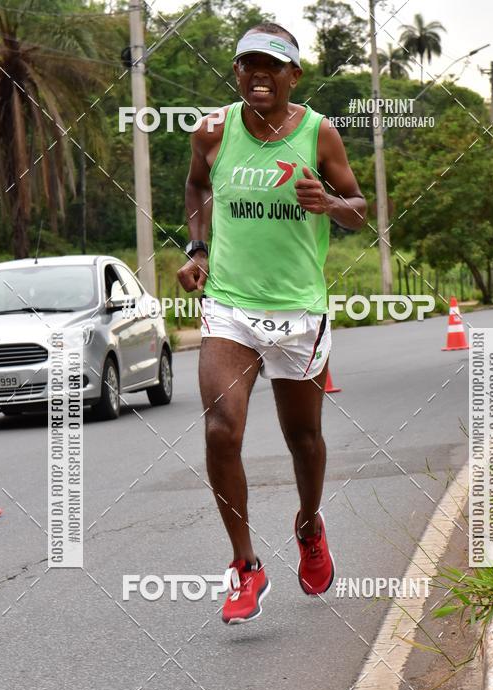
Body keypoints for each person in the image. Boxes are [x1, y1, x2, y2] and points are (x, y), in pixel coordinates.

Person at [178, 22, 367, 624]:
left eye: (272, 65)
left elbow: (360, 210)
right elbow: (196, 186)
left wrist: (329, 204)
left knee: (303, 438)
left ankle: (309, 526)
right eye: (248, 64)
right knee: (220, 430)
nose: (259, 74)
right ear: (237, 72)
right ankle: (245, 566)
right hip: (230, 306)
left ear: (294, 75)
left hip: (299, 311)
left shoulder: (319, 133)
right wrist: (197, 250)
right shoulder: (212, 130)